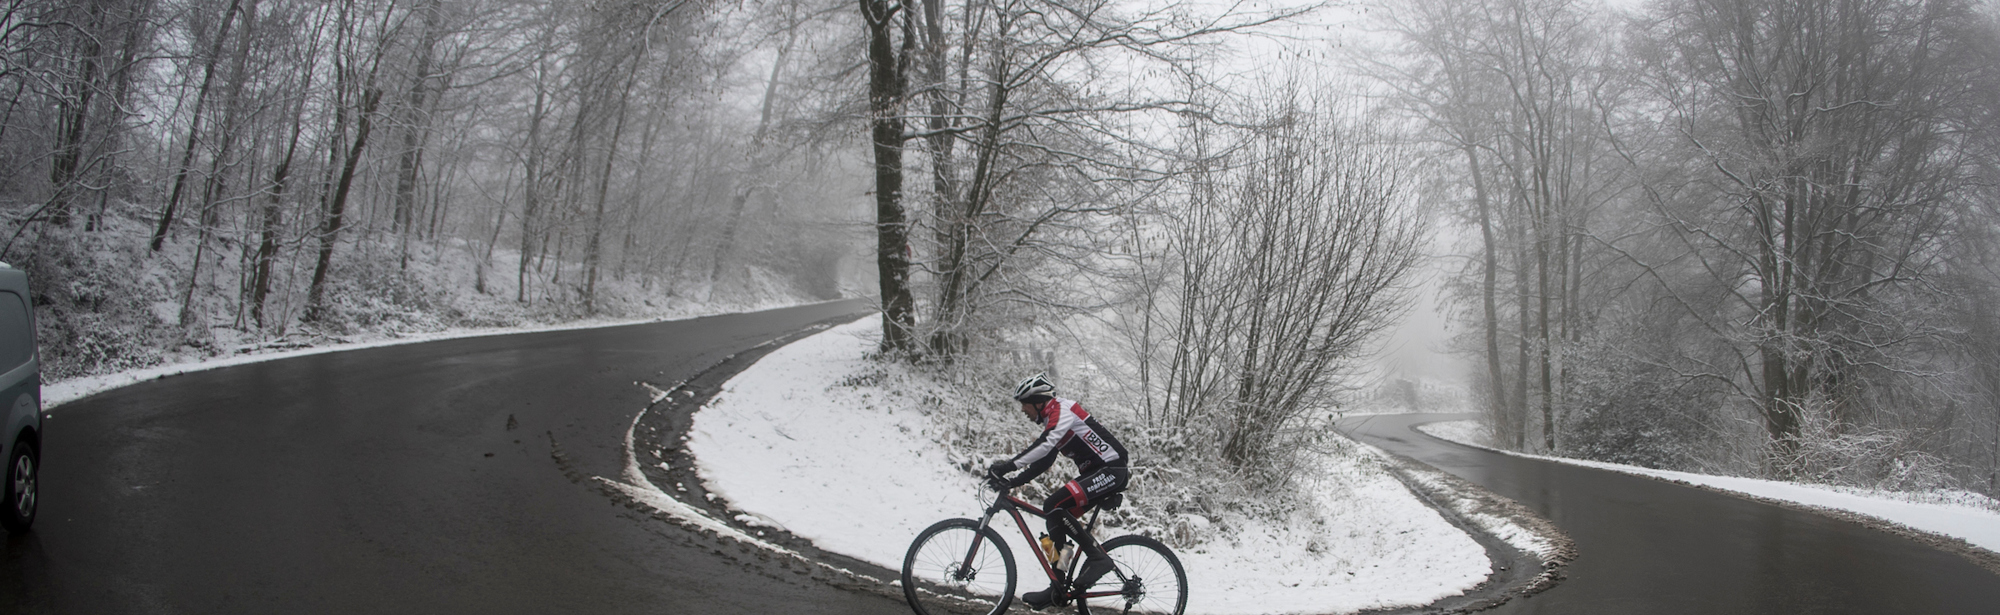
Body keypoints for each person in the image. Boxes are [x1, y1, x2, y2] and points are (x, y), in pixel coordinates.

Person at [985, 373, 1131, 610]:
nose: (1022, 410)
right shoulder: (1053, 418)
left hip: (1111, 469)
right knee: (1054, 516)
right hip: (1097, 473)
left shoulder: (1063, 409)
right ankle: (1058, 584)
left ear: (1038, 401)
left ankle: (1098, 559)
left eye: (1024, 403)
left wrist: (1008, 466)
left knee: (1053, 504)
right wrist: (1013, 482)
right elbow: (1045, 460)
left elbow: (1045, 444)